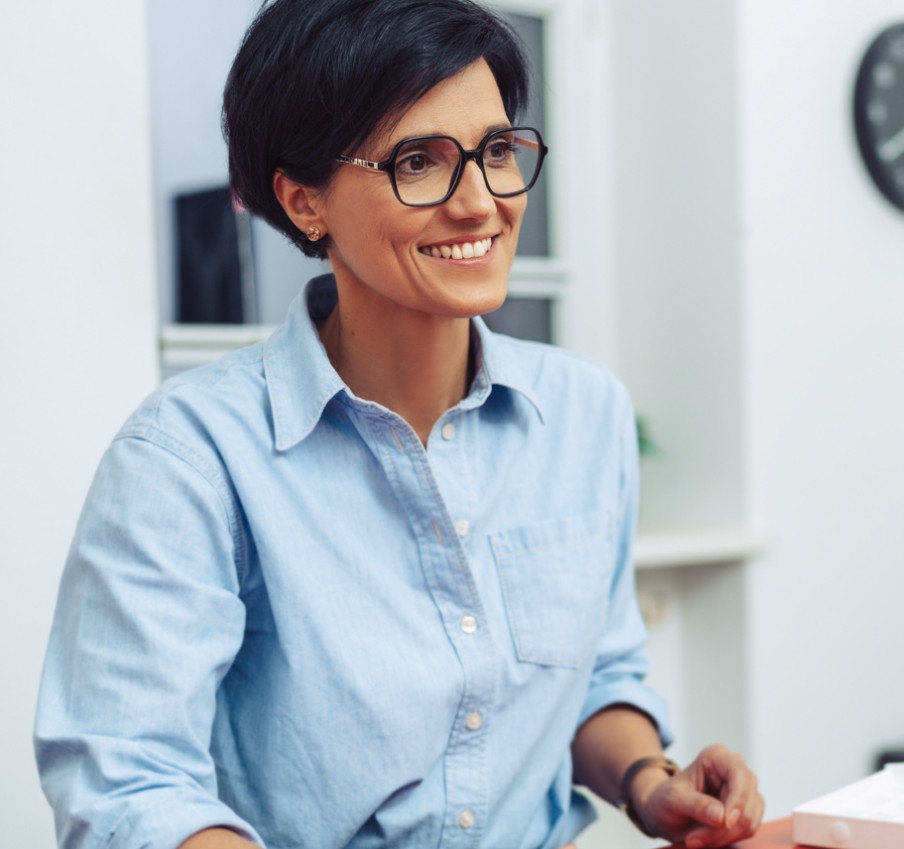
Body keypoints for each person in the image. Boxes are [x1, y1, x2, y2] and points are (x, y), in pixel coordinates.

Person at [33, 1, 763, 848]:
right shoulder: (187, 459)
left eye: (496, 151)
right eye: (419, 161)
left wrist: (650, 782)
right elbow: (130, 785)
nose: (481, 202)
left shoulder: (584, 415)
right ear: (305, 201)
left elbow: (594, 675)